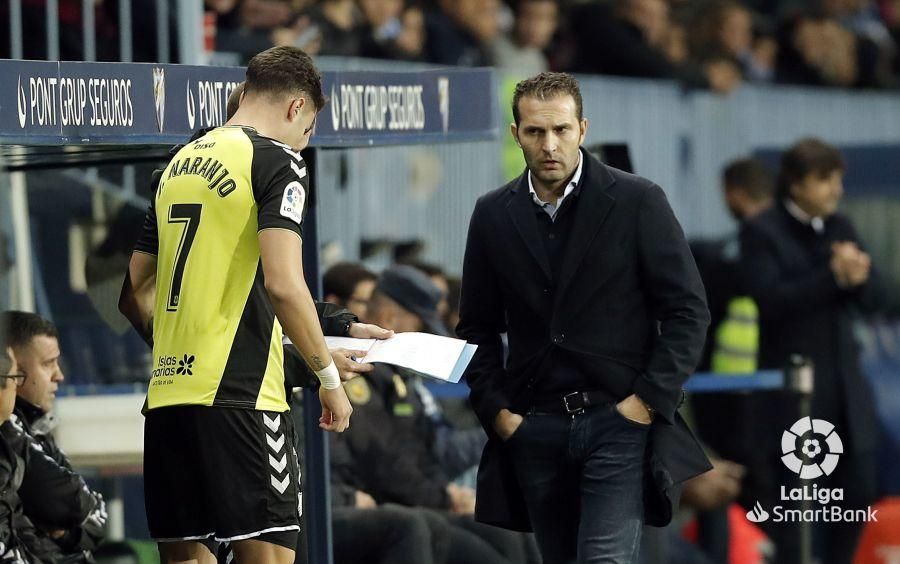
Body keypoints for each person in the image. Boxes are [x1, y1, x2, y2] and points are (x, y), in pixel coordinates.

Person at [456, 72, 711, 563]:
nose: (549, 144)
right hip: (534, 426)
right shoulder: (491, 213)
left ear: (582, 129)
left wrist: (645, 402)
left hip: (619, 419)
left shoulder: (638, 200)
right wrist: (500, 415)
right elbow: (477, 327)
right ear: (516, 135)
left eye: (561, 130)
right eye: (534, 132)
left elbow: (687, 310)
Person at [118, 46, 353, 564]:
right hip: (244, 401)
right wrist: (329, 382)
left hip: (168, 400)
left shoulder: (177, 164)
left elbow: (134, 291)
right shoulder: (278, 161)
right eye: (310, 129)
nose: (304, 141)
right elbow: (284, 285)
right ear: (297, 109)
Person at [739, 138, 884, 564]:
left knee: (855, 499)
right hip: (796, 405)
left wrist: (857, 279)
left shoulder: (841, 226)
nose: (836, 190)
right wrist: (831, 277)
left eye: (838, 179)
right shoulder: (762, 232)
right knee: (795, 516)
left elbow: (878, 298)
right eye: (825, 180)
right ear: (796, 185)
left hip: (846, 399)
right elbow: (770, 299)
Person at [333, 266, 530, 564]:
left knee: (513, 534)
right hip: (377, 504)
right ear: (388, 319)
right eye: (422, 327)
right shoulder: (360, 379)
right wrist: (444, 498)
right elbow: (385, 463)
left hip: (411, 501)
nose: (427, 338)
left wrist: (447, 490)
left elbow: (420, 450)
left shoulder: (396, 380)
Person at [1, 311, 107, 560]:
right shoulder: (8, 434)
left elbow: (92, 511)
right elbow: (75, 504)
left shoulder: (39, 429)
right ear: (13, 365)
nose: (59, 375)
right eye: (48, 363)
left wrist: (66, 534)